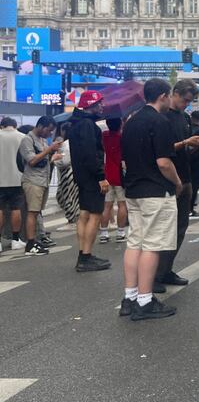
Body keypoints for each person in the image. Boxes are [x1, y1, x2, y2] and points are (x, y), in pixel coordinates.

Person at [120, 78, 182, 320]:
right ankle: (145, 300)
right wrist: (177, 182)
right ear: (164, 96)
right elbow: (164, 162)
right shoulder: (160, 121)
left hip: (133, 191)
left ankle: (130, 296)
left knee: (134, 243)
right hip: (156, 191)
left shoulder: (132, 122)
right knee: (153, 245)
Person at [155, 79, 199, 288]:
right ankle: (155, 274)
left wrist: (196, 145)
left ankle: (166, 269)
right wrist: (186, 143)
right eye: (185, 100)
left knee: (180, 229)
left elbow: (182, 149)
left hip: (185, 178)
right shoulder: (161, 116)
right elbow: (163, 149)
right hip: (167, 181)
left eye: (190, 101)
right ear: (173, 93)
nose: (187, 104)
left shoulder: (184, 118)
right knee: (164, 230)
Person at [67, 90, 111, 272]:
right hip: (92, 177)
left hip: (82, 176)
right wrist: (101, 177)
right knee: (94, 215)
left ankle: (83, 255)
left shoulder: (76, 123)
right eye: (99, 103)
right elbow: (91, 153)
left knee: (84, 215)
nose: (102, 106)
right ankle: (86, 256)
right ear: (90, 105)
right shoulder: (87, 125)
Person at [19, 115, 61, 256]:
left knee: (36, 212)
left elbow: (42, 160)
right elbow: (31, 160)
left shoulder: (41, 140)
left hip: (42, 180)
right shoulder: (27, 139)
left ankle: (34, 240)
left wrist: (52, 155)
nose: (49, 134)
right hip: (33, 181)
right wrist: (49, 150)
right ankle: (30, 244)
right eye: (48, 130)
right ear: (41, 126)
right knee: (32, 212)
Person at [0, 117, 26, 255]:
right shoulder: (23, 137)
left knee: (0, 209)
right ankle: (16, 240)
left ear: (2, 126)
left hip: (0, 179)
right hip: (17, 179)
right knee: (16, 208)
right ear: (15, 126)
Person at [100, 117, 127, 243]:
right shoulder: (122, 138)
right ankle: (120, 232)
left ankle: (104, 233)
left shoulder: (104, 136)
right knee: (122, 204)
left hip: (106, 174)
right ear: (120, 124)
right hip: (119, 174)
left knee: (107, 206)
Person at [54, 122, 80, 225]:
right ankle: (75, 216)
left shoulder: (66, 144)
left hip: (68, 174)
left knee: (68, 196)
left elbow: (64, 161)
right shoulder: (77, 141)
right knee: (74, 197)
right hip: (76, 172)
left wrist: (55, 160)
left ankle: (72, 218)